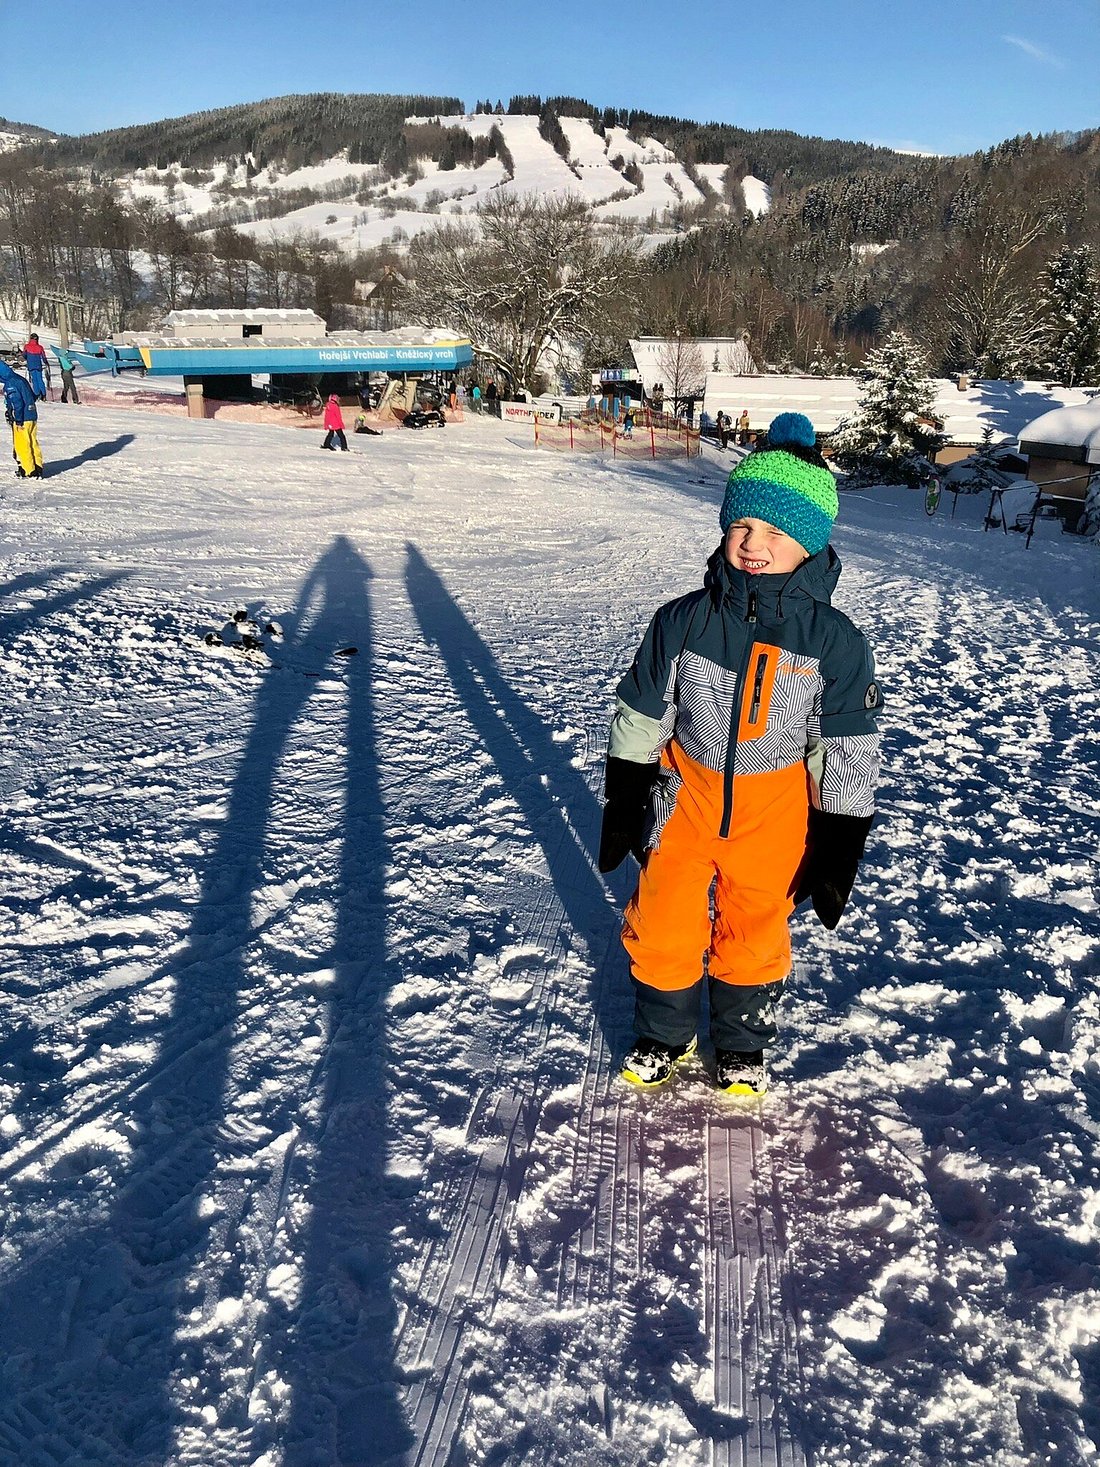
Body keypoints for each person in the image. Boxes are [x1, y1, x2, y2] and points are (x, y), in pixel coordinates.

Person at [597, 411, 881, 1097]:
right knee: (662, 920)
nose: (754, 544)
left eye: (776, 533)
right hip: (686, 797)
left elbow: (846, 746)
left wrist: (839, 838)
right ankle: (667, 1032)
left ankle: (743, 1043)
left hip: (774, 808)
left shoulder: (834, 641)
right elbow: (641, 709)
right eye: (742, 527)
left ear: (809, 544)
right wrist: (628, 794)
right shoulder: (684, 618)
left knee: (756, 930)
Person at [0, 360, 44, 478]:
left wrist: (17, 419)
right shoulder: (20, 379)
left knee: (22, 444)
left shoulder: (10, 384)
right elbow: (33, 396)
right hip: (32, 415)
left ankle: (29, 470)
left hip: (23, 418)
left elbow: (17, 403)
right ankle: (37, 466)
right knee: (32, 441)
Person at [23, 334, 49, 401]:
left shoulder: (26, 346)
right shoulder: (40, 347)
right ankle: (43, 395)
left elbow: (24, 355)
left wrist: (28, 357)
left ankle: (37, 394)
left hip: (31, 365)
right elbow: (43, 356)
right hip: (38, 365)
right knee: (40, 380)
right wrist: (46, 362)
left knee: (34, 380)